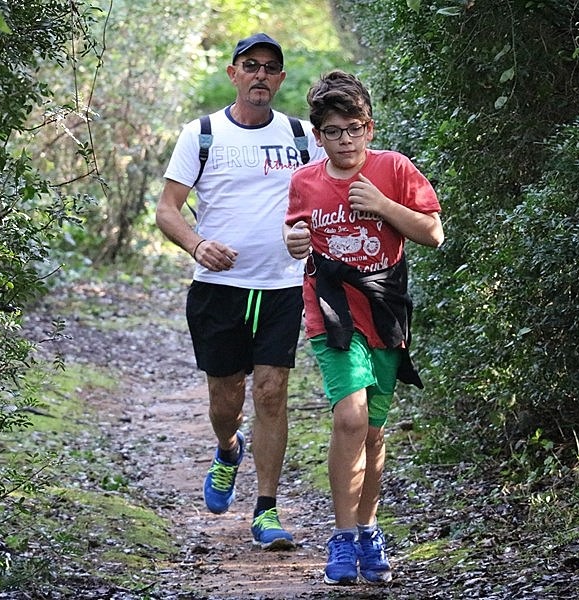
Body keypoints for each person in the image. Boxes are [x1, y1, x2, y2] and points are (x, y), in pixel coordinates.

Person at [155, 33, 326, 550]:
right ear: (233, 73)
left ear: (280, 79)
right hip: (219, 289)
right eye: (251, 66)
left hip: (281, 286)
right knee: (225, 400)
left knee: (271, 391)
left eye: (270, 68)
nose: (260, 75)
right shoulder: (202, 134)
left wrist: (312, 235)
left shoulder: (302, 136)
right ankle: (229, 448)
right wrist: (197, 244)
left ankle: (267, 510)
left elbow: (329, 196)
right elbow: (167, 210)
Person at [283, 70, 444, 584]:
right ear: (318, 136)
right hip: (331, 309)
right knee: (350, 419)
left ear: (368, 128)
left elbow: (433, 233)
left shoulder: (393, 168)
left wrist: (382, 205)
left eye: (354, 129)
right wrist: (294, 242)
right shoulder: (305, 181)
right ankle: (342, 536)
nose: (346, 140)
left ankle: (368, 531)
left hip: (385, 308)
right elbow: (295, 235)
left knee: (373, 431)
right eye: (334, 131)